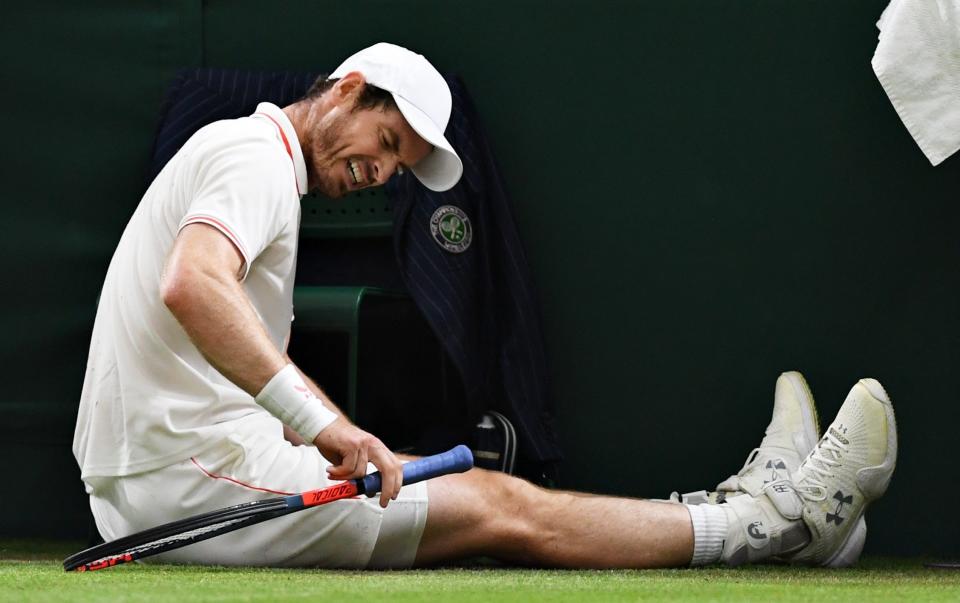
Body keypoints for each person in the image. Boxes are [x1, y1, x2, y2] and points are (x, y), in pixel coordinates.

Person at [72, 42, 898, 570]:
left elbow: (206, 328)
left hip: (166, 476)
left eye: (398, 166)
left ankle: (749, 507)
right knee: (504, 508)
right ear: (350, 89)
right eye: (388, 144)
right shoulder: (254, 155)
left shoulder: (249, 160)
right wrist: (328, 425)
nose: (383, 172)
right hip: (186, 486)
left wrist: (320, 437)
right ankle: (775, 521)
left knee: (479, 496)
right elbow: (193, 284)